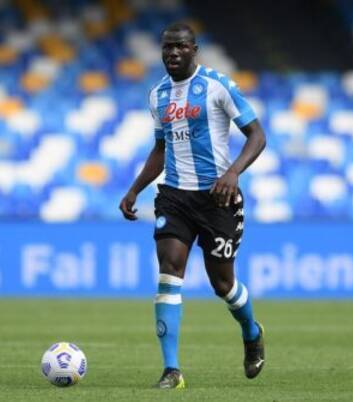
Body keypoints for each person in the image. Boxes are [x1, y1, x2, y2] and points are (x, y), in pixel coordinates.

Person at [119, 22, 266, 389]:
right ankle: (172, 370)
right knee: (170, 270)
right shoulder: (158, 95)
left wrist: (233, 173)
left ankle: (251, 331)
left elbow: (257, 135)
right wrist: (135, 189)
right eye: (167, 47)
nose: (173, 52)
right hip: (174, 196)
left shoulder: (217, 86)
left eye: (181, 46)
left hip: (218, 198)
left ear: (194, 50)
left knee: (223, 284)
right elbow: (161, 148)